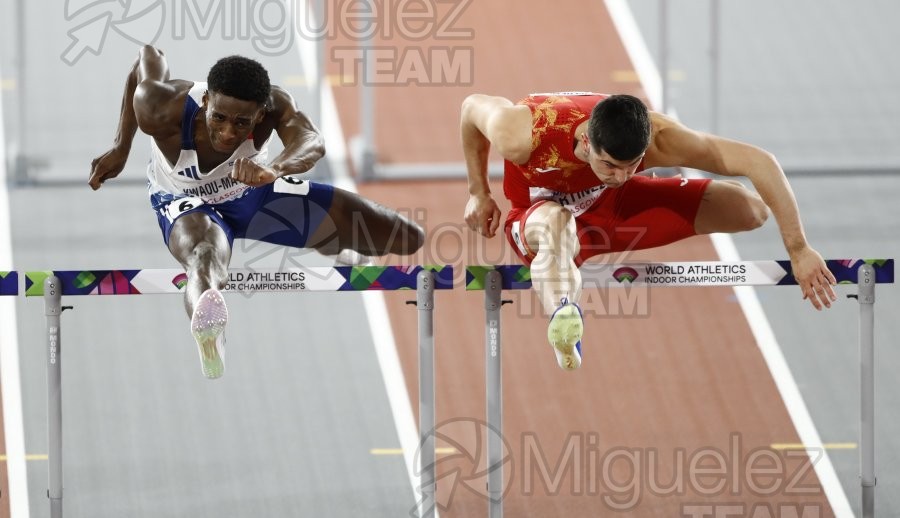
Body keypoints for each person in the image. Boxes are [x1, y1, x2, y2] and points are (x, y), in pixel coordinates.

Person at [89, 45, 424, 379]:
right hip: (185, 201)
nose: (228, 132)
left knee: (405, 237)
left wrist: (274, 169)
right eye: (219, 117)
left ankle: (329, 243)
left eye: (241, 123)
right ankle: (210, 332)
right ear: (206, 101)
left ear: (261, 114)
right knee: (204, 255)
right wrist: (121, 147)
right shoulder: (160, 106)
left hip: (253, 195)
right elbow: (148, 55)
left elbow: (312, 141)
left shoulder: (276, 104)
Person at [461, 92, 836, 371]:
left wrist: (799, 248)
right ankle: (564, 315)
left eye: (632, 165)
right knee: (558, 223)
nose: (621, 174)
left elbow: (759, 161)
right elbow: (470, 109)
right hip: (540, 221)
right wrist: (479, 192)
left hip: (615, 211)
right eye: (609, 165)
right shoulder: (524, 131)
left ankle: (566, 283)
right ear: (586, 142)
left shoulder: (658, 136)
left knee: (750, 210)